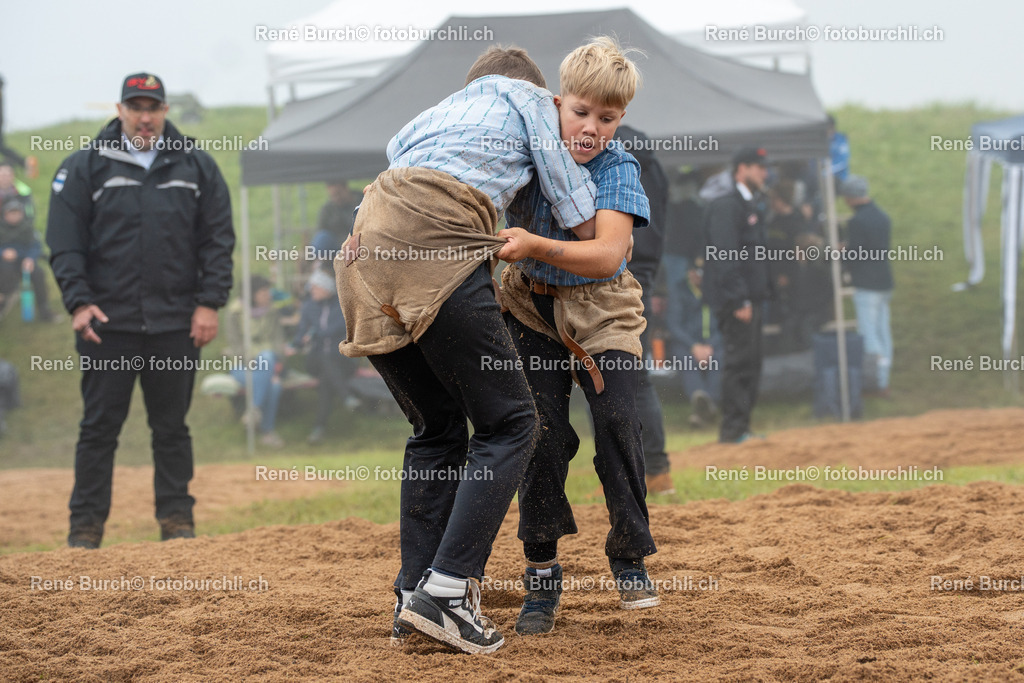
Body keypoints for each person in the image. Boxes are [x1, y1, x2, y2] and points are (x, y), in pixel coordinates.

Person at [336, 46, 597, 655]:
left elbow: (388, 183)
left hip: (361, 255)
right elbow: (575, 208)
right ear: (541, 92)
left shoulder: (430, 118)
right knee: (512, 423)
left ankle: (412, 596)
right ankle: (450, 592)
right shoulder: (530, 100)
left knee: (437, 428)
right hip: (436, 239)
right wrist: (596, 228)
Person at [495, 37, 657, 636]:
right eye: (581, 112)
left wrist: (534, 244)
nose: (591, 128)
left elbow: (608, 255)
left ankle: (629, 555)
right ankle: (541, 570)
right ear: (558, 104)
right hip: (530, 305)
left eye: (607, 119)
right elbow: (457, 184)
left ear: (621, 119)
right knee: (539, 433)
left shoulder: (618, 167)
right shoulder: (520, 152)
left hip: (603, 308)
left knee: (617, 421)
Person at [46, 73, 234, 549]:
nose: (144, 117)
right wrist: (79, 302)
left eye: (153, 107)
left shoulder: (197, 166)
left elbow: (217, 241)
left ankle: (177, 523)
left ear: (165, 110)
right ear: (120, 110)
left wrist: (208, 303)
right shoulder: (85, 166)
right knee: (98, 429)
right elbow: (65, 244)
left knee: (171, 429)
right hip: (106, 326)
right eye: (136, 107)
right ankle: (84, 530)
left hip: (176, 324)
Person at [613, 125, 672, 495]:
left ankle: (648, 471)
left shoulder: (620, 164)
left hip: (621, 273)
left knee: (626, 375)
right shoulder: (655, 168)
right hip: (642, 273)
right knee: (631, 374)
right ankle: (649, 471)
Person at [703, 147, 772, 443]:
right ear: (742, 169)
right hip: (736, 300)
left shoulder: (747, 204)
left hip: (749, 298)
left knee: (750, 362)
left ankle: (741, 426)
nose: (764, 173)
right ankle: (733, 430)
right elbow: (724, 255)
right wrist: (739, 298)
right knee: (739, 362)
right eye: (759, 167)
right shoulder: (727, 205)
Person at [285, 268, 355, 444]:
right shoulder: (308, 307)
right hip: (316, 361)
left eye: (316, 287)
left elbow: (336, 330)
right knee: (324, 359)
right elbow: (302, 333)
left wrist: (315, 334)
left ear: (327, 288)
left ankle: (318, 429)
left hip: (341, 360)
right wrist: (295, 345)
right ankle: (346, 396)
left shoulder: (342, 306)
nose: (312, 290)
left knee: (325, 381)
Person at [840, 175, 893, 397]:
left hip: (867, 284)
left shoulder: (857, 222)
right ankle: (884, 379)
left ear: (851, 197)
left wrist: (841, 253)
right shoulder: (883, 217)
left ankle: (874, 380)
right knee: (883, 332)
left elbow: (856, 254)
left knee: (869, 334)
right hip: (884, 281)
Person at [226, 275, 286, 448]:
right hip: (242, 365)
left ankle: (254, 412)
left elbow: (278, 341)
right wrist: (253, 362)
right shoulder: (235, 312)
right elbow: (235, 345)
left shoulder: (273, 311)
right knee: (272, 382)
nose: (268, 295)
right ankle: (267, 431)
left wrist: (276, 363)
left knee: (268, 360)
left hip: (270, 363)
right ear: (252, 294)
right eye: (263, 291)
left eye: (268, 291)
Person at [0, 196, 57, 321]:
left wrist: (30, 258)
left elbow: (36, 246)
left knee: (38, 273)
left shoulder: (27, 228)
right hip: (4, 263)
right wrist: (3, 252)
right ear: (5, 214)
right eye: (11, 213)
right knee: (5, 271)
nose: (14, 216)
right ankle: (4, 300)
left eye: (17, 213)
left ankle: (44, 309)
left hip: (24, 262)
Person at [310, 181, 357, 267]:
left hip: (357, 241)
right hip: (336, 244)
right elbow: (321, 230)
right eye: (333, 196)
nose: (337, 198)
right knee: (321, 238)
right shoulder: (327, 209)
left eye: (338, 193)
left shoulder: (361, 203)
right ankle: (319, 265)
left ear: (345, 189)